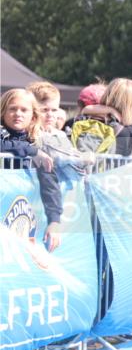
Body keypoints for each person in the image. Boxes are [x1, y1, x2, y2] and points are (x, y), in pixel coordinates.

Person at [1, 89, 62, 251]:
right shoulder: (31, 148)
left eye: (24, 110)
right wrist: (31, 151)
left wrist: (54, 221)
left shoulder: (38, 143)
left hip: (21, 221)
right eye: (12, 108)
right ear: (3, 111)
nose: (18, 114)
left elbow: (50, 186)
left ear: (33, 116)